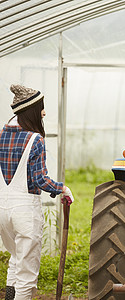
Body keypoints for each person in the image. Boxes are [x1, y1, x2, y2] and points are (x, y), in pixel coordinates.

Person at [0, 84, 74, 300]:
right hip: (24, 212)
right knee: (27, 274)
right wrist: (63, 189)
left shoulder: (2, 134)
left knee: (15, 258)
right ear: (31, 110)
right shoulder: (35, 140)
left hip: (2, 210)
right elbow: (40, 179)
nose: (44, 112)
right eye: (41, 107)